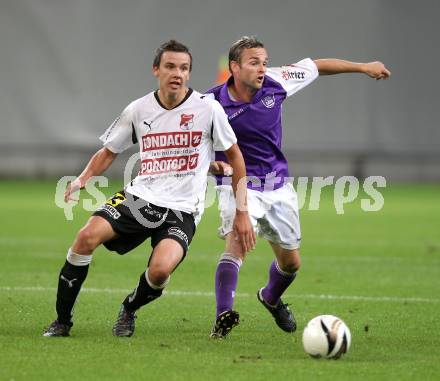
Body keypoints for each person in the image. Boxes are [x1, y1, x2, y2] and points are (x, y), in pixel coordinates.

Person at [43, 40, 255, 338]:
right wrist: (81, 179)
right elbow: (109, 151)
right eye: (170, 66)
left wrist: (241, 211)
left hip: (182, 210)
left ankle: (129, 307)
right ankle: (62, 321)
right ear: (156, 70)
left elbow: (235, 157)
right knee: (85, 237)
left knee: (159, 272)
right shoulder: (138, 109)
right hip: (140, 196)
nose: (177, 73)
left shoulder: (208, 110)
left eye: (183, 68)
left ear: (189, 74)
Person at [207, 36, 391, 338]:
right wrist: (211, 165)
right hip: (236, 185)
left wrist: (363, 67)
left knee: (291, 264)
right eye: (254, 63)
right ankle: (222, 317)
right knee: (236, 244)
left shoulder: (276, 81)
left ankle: (270, 297)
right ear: (234, 68)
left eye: (264, 62)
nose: (262, 68)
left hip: (277, 185)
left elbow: (317, 66)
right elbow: (193, 138)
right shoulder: (211, 103)